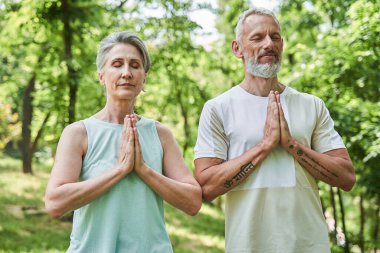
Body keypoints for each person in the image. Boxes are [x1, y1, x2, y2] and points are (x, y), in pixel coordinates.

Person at [194, 7, 356, 253]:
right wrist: (265, 146)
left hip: (309, 245)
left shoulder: (311, 105)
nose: (268, 44)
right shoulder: (218, 108)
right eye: (257, 38)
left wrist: (292, 145)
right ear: (237, 48)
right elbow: (206, 188)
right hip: (247, 246)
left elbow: (346, 178)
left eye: (275, 37)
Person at [45, 31, 202, 252]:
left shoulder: (160, 134)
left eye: (135, 65)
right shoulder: (78, 133)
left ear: (144, 78)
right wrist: (120, 170)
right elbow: (54, 203)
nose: (126, 73)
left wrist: (143, 170)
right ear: (102, 76)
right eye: (117, 64)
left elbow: (193, 201)